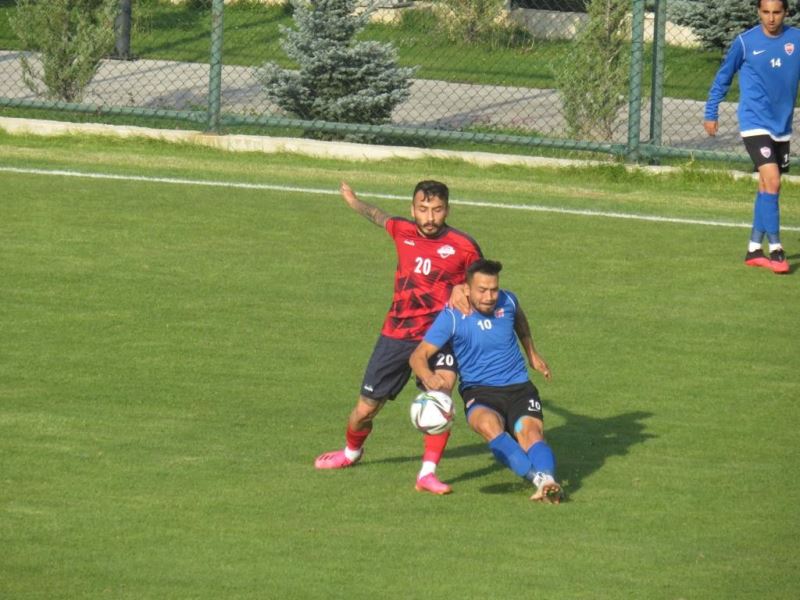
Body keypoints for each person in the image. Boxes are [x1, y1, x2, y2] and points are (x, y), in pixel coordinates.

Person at [314, 180, 483, 495]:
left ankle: (427, 474)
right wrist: (353, 199)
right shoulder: (402, 230)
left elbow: (483, 285)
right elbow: (376, 214)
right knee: (364, 410)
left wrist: (465, 291)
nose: (430, 217)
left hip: (439, 335)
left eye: (437, 210)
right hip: (396, 334)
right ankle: (351, 452)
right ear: (412, 209)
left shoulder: (465, 246)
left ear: (448, 209)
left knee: (440, 394)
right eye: (423, 210)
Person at [409, 259, 562, 503]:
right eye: (482, 290)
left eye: (494, 289)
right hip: (480, 393)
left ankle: (549, 480)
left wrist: (532, 353)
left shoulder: (508, 301)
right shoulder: (453, 317)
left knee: (531, 433)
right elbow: (418, 355)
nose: (490, 296)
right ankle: (540, 480)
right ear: (466, 289)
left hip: (519, 388)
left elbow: (520, 321)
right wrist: (429, 377)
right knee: (489, 426)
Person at [704, 0, 800, 274]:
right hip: (754, 122)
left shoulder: (796, 40)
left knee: (766, 187)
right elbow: (724, 76)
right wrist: (711, 111)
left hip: (781, 126)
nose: (771, 18)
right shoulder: (745, 42)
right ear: (758, 12)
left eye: (777, 12)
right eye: (766, 12)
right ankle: (777, 250)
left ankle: (754, 248)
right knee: (773, 181)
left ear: (786, 13)